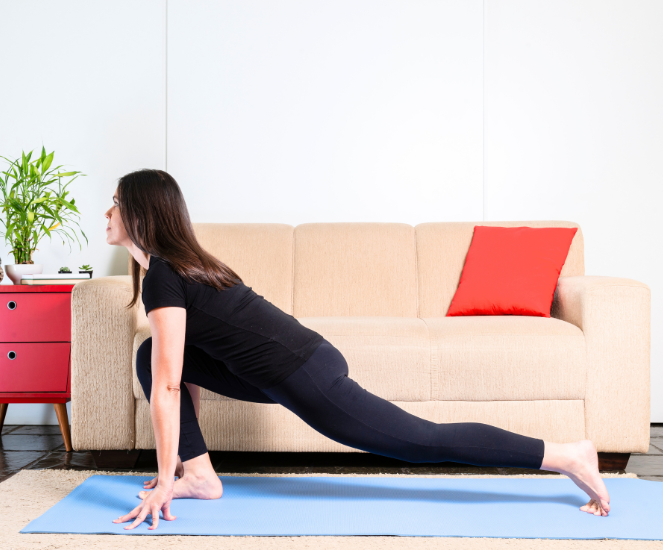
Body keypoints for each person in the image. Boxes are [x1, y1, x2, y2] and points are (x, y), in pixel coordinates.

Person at [106, 169, 610, 531]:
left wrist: (161, 482)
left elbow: (171, 387)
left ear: (140, 213)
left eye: (115, 202)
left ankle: (565, 455)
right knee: (149, 354)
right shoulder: (171, 271)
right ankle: (200, 476)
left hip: (303, 370)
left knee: (419, 440)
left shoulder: (168, 276)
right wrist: (177, 468)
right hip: (268, 371)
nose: (107, 212)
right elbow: (175, 372)